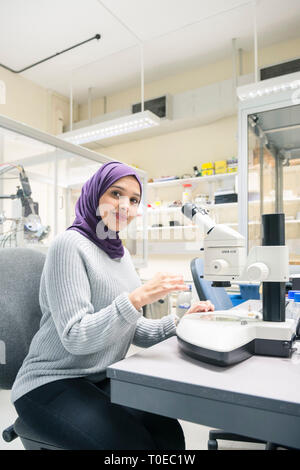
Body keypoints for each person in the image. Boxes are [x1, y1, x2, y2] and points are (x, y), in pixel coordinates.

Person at [11, 161, 214, 450]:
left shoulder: (121, 255)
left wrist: (181, 324)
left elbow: (133, 328)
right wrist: (135, 299)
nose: (125, 206)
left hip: (99, 377)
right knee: (132, 445)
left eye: (134, 200)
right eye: (115, 194)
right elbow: (76, 337)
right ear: (94, 196)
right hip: (50, 381)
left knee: (169, 435)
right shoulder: (69, 245)